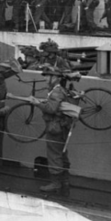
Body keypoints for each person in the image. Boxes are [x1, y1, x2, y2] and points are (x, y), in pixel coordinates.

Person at [31, 65, 80, 194]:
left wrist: (37, 104)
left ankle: (55, 183)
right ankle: (65, 180)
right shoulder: (62, 89)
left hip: (55, 127)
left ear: (55, 78)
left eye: (48, 76)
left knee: (54, 155)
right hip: (63, 126)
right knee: (62, 153)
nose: (46, 78)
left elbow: (51, 109)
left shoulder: (56, 92)